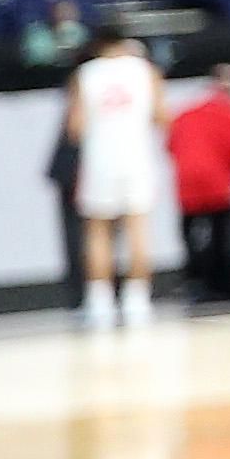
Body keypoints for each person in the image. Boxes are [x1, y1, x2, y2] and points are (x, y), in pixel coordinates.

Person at [67, 26, 163, 327]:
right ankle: (137, 299)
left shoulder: (86, 74)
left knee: (98, 231)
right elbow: (162, 116)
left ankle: (100, 301)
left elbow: (75, 127)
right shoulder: (146, 70)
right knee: (138, 228)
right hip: (136, 157)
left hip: (100, 159)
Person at [168, 64, 230, 299]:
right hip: (219, 181)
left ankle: (193, 279)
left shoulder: (186, 113)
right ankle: (221, 284)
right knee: (222, 235)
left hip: (187, 182)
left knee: (190, 233)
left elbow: (171, 144)